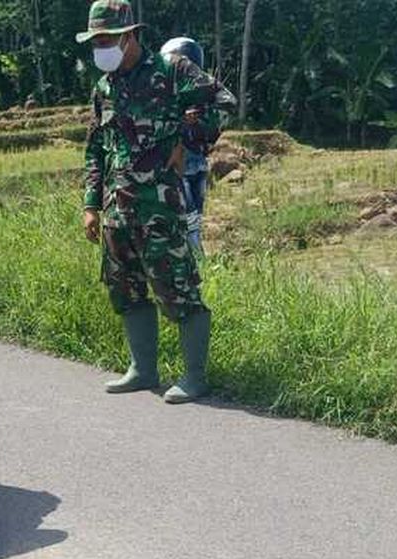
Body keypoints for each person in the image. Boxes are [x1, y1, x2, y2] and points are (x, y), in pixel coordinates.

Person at [78, 0, 235, 404]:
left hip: (159, 207)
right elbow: (96, 149)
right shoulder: (104, 87)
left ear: (130, 36)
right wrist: (91, 204)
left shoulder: (171, 71)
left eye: (107, 39)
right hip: (116, 210)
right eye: (95, 41)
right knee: (125, 290)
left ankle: (195, 377)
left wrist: (188, 142)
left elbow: (222, 102)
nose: (100, 48)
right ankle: (143, 370)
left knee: (178, 289)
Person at [160, 36, 211, 257]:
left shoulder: (202, 97)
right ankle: (194, 258)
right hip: (178, 168)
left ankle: (194, 254)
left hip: (198, 165)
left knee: (195, 216)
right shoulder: (163, 100)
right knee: (187, 216)